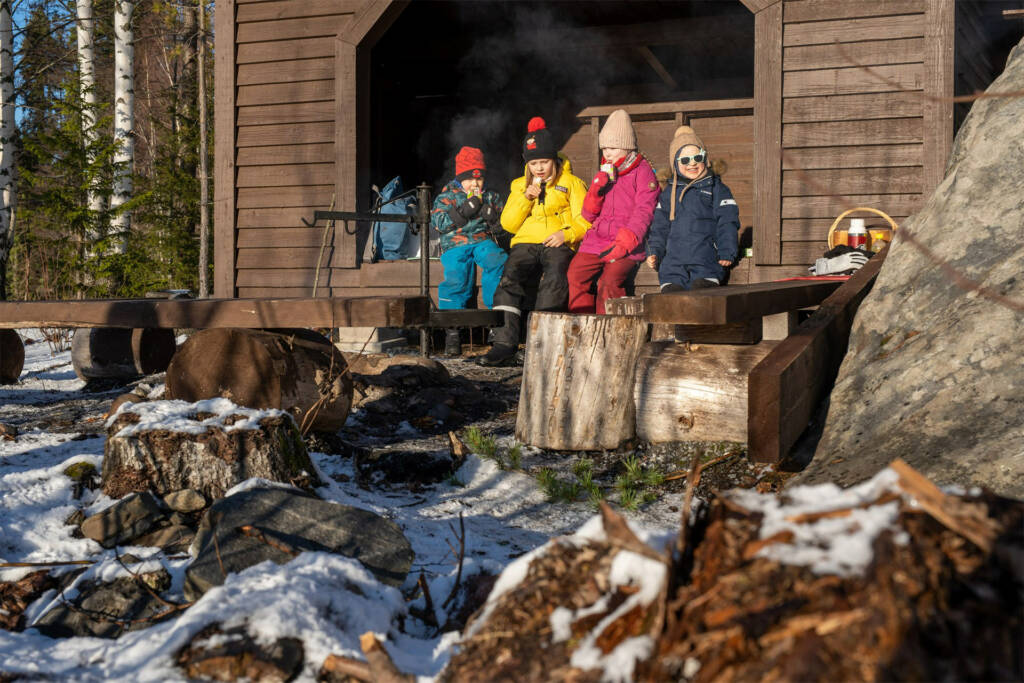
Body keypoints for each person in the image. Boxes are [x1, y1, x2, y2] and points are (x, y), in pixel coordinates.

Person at [478, 117, 591, 366]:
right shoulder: (519, 185)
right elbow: (508, 224)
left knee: (555, 277)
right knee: (510, 278)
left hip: (558, 240)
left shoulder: (571, 183)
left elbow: (585, 219)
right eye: (533, 163)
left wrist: (567, 234)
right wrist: (525, 199)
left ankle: (541, 342)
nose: (539, 168)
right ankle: (504, 344)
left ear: (554, 161)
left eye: (544, 162)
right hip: (526, 242)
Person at [567, 109, 659, 314]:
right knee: (575, 274)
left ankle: (609, 330)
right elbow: (588, 215)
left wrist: (624, 243)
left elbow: (644, 211)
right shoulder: (605, 171)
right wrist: (596, 190)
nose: (607, 153)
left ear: (627, 147)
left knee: (608, 282)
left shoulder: (642, 172)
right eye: (604, 148)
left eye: (613, 148)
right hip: (597, 239)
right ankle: (582, 323)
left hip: (627, 242)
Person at [431, 146, 507, 356]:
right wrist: (463, 211)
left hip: (482, 240)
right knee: (456, 275)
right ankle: (452, 331)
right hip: (455, 243)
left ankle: (496, 318)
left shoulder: (490, 196)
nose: (475, 184)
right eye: (469, 179)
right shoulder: (448, 197)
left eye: (479, 179)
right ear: (459, 178)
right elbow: (438, 223)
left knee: (497, 260)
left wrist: (492, 217)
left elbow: (504, 227)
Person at [646, 125, 739, 291]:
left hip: (705, 260)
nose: (692, 163)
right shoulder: (669, 193)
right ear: (675, 164)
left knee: (701, 296)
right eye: (685, 160)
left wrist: (727, 251)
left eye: (697, 157)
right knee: (671, 300)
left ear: (705, 158)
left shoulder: (716, 188)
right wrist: (655, 252)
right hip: (673, 264)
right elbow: (660, 227)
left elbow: (727, 221)